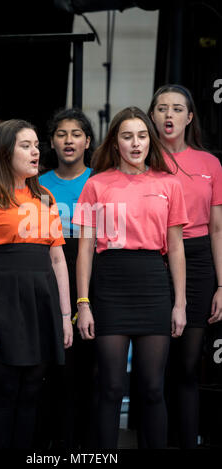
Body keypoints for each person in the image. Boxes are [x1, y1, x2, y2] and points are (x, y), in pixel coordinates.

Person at [72, 106, 188, 449]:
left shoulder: (169, 183)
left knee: (152, 387)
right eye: (127, 136)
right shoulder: (96, 184)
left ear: (150, 140)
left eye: (141, 136)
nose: (135, 143)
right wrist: (84, 303)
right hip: (110, 285)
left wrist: (179, 303)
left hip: (153, 282)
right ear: (115, 141)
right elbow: (85, 250)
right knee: (110, 387)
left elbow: (177, 248)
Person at [0, 119, 73, 449]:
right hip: (0, 302)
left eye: (37, 145)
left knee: (34, 388)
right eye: (26, 145)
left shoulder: (45, 196)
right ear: (5, 152)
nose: (36, 152)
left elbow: (58, 260)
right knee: (2, 390)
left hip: (40, 303)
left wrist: (65, 316)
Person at [148, 84, 222, 448]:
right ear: (152, 115)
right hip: (153, 259)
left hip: (198, 259)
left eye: (177, 109)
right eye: (161, 108)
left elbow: (218, 228)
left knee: (188, 366)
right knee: (155, 366)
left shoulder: (210, 164)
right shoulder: (142, 161)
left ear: (190, 117)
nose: (168, 115)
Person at [37, 108, 98, 449]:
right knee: (53, 362)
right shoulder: (38, 183)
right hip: (49, 273)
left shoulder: (99, 181)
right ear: (51, 142)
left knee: (85, 364)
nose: (69, 140)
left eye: (76, 134)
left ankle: (83, 443)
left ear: (88, 141)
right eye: (61, 133)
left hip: (89, 274)